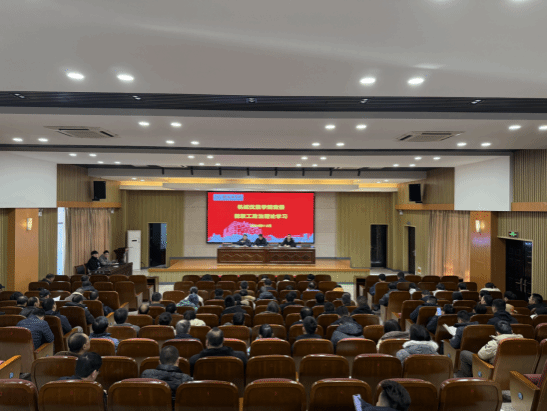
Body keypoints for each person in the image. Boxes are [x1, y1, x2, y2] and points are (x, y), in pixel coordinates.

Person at [456, 320, 523, 378]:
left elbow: (481, 355)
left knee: (464, 354)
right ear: (512, 331)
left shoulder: (495, 343)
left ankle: (467, 379)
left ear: (497, 333)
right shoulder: (523, 342)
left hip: (494, 372)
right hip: (515, 374)